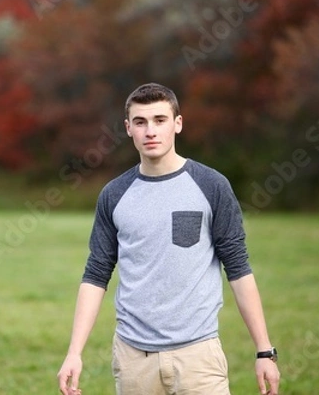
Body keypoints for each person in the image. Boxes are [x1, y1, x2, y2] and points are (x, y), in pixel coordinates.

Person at [56, 83, 280, 395]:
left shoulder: (211, 185)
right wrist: (73, 353)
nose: (150, 131)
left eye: (160, 120)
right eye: (140, 122)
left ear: (177, 123)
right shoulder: (114, 195)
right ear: (128, 129)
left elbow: (239, 269)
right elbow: (96, 274)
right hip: (134, 362)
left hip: (199, 359)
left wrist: (264, 351)